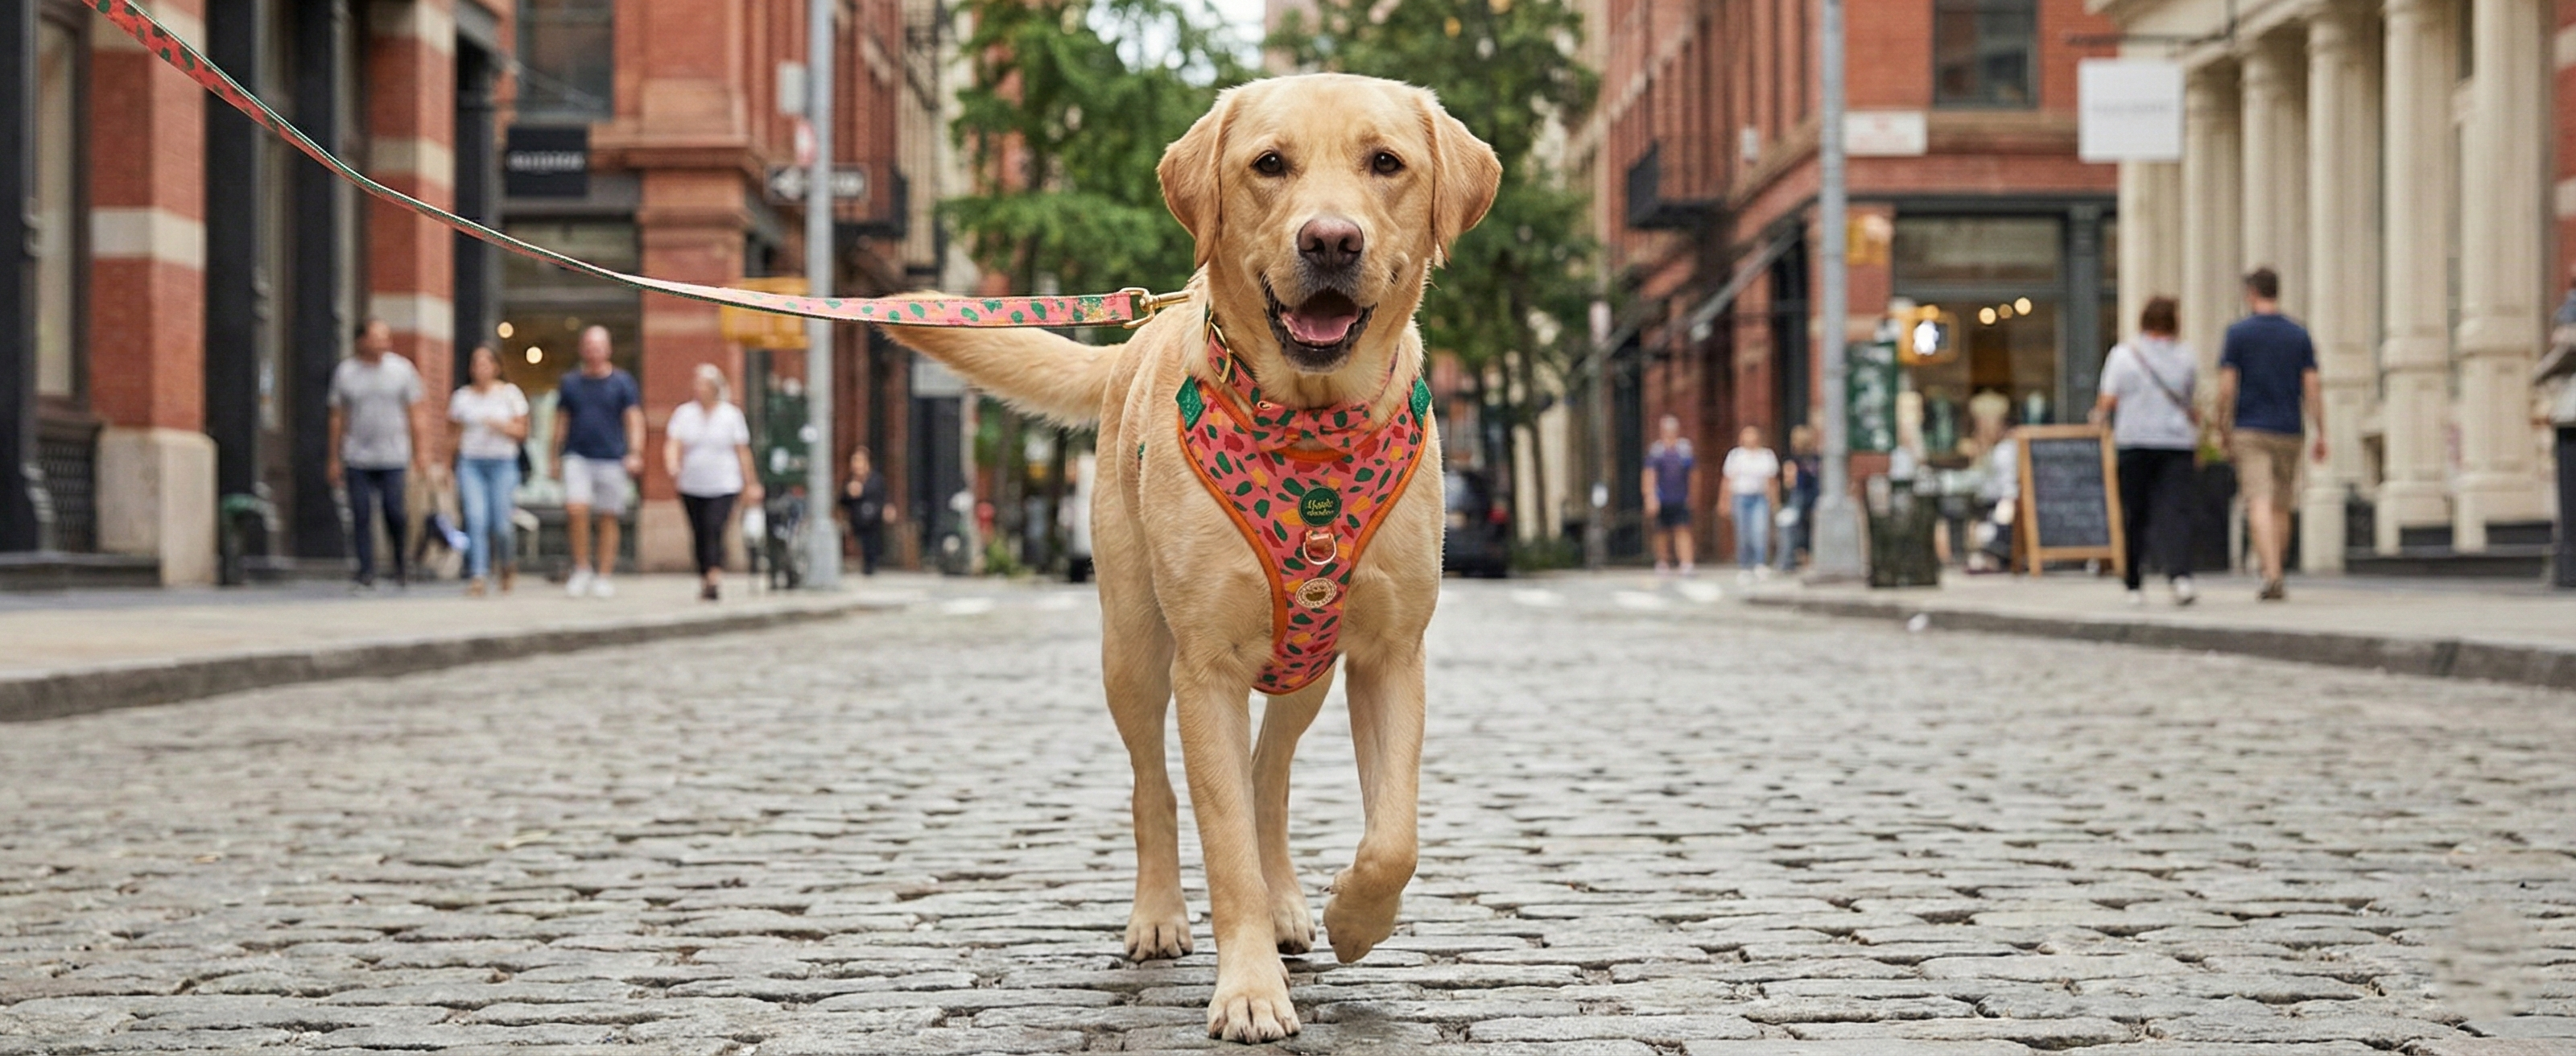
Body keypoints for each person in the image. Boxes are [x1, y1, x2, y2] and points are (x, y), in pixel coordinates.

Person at [2216, 266, 2322, 601]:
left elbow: (2226, 387)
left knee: (2258, 501)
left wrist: (2222, 426)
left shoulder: (2238, 334)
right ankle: (2277, 568)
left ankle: (2272, 573)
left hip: (2250, 427)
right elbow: (2312, 387)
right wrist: (2322, 431)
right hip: (2289, 428)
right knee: (2281, 503)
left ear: (2251, 293)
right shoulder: (2298, 334)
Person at [2094, 295, 2200, 607]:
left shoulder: (2124, 356)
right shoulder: (2185, 355)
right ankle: (2179, 576)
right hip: (2176, 442)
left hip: (2134, 442)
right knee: (2176, 512)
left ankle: (2133, 582)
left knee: (2135, 513)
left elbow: (2108, 400)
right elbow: (2190, 396)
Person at [326, 319, 424, 591]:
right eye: (377, 337)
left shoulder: (402, 370)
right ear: (361, 341)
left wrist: (420, 454)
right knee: (361, 513)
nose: (384, 342)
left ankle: (400, 564)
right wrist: (334, 457)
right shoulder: (346, 373)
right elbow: (337, 417)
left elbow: (416, 412)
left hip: (394, 455)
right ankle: (365, 570)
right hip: (357, 455)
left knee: (395, 511)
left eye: (386, 336)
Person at [552, 326, 643, 598]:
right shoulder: (570, 383)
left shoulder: (623, 383)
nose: (593, 351)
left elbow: (633, 418)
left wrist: (635, 451)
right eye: (589, 345)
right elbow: (560, 421)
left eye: (599, 345)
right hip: (577, 455)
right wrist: (553, 456)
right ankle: (581, 568)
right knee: (576, 509)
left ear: (608, 349)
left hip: (612, 457)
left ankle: (604, 574)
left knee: (608, 516)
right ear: (583, 349)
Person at [664, 364, 761, 601]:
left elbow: (742, 452)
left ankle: (714, 576)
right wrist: (672, 463)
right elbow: (673, 442)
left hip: (724, 484)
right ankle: (704, 574)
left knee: (714, 528)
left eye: (704, 385)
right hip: (692, 483)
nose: (699, 389)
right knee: (698, 532)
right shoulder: (684, 414)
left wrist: (751, 483)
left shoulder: (731, 415)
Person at [448, 345, 530, 596]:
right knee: (475, 518)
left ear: (496, 367)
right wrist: (447, 466)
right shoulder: (462, 397)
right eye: (476, 363)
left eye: (486, 363)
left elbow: (522, 432)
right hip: (471, 463)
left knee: (501, 523)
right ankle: (479, 575)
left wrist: (502, 426)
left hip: (502, 464)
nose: (480, 369)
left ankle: (506, 564)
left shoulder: (510, 394)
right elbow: (453, 435)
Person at [1719, 425, 1781, 580]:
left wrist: (1774, 501)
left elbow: (1771, 480)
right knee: (1743, 532)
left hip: (1760, 497)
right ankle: (1745, 565)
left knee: (1760, 531)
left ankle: (1760, 563)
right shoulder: (1736, 456)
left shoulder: (1766, 455)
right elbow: (1727, 480)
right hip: (1740, 496)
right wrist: (1724, 501)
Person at [1641, 415, 1698, 575]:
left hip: (1680, 496)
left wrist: (1692, 494)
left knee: (1683, 529)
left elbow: (1693, 473)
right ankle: (1662, 561)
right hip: (1662, 496)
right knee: (1661, 531)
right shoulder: (1657, 451)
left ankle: (1686, 562)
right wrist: (1650, 496)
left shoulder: (1684, 449)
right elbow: (1650, 474)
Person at [840, 447, 894, 576]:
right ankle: (865, 563)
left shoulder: (875, 479)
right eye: (854, 461)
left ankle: (871, 565)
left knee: (872, 542)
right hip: (857, 519)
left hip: (873, 518)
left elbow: (882, 495)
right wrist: (849, 493)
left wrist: (887, 508)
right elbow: (842, 500)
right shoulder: (850, 481)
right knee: (861, 541)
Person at [1780, 424, 1820, 571]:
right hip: (1799, 496)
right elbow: (1789, 481)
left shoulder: (1816, 459)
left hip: (1811, 496)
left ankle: (1801, 558)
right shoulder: (1795, 460)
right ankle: (1789, 560)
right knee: (1794, 529)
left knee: (1806, 528)